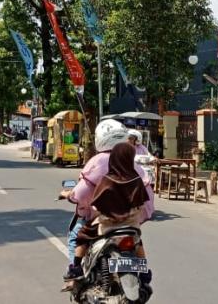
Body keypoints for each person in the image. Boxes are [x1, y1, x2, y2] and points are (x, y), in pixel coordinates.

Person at [61, 120, 154, 282]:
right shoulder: (136, 172)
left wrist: (73, 197)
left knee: (79, 234)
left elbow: (85, 196)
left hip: (106, 222)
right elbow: (147, 201)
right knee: (138, 241)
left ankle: (75, 269)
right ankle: (144, 272)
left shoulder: (101, 169)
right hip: (131, 222)